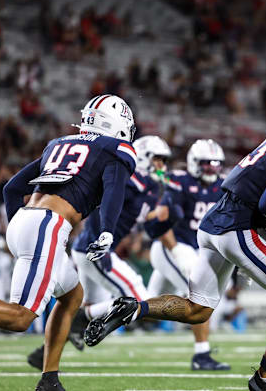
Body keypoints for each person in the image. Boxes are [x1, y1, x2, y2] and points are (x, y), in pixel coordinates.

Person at [84, 82, 266, 391]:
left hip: (215, 222)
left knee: (198, 309)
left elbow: (265, 191)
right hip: (239, 226)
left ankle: (134, 308)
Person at [0, 94, 136, 391]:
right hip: (47, 226)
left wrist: (18, 230)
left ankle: (49, 379)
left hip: (26, 221)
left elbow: (12, 188)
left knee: (72, 296)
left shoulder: (59, 143)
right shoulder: (116, 149)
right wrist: (108, 231)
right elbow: (114, 190)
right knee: (20, 316)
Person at [26, 135, 170, 370]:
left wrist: (165, 217)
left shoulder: (150, 187)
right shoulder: (131, 179)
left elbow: (147, 220)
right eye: (158, 160)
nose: (162, 166)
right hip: (96, 249)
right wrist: (100, 241)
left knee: (90, 305)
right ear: (144, 157)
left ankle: (45, 350)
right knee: (139, 299)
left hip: (88, 249)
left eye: (163, 161)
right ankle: (79, 319)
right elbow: (102, 204)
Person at [145, 138, 230, 371]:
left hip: (196, 249)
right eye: (207, 163)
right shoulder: (178, 181)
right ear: (194, 163)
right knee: (200, 296)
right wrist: (176, 249)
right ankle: (201, 355)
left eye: (216, 163)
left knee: (144, 305)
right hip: (171, 247)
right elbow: (161, 220)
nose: (212, 168)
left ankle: (91, 315)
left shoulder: (224, 186)